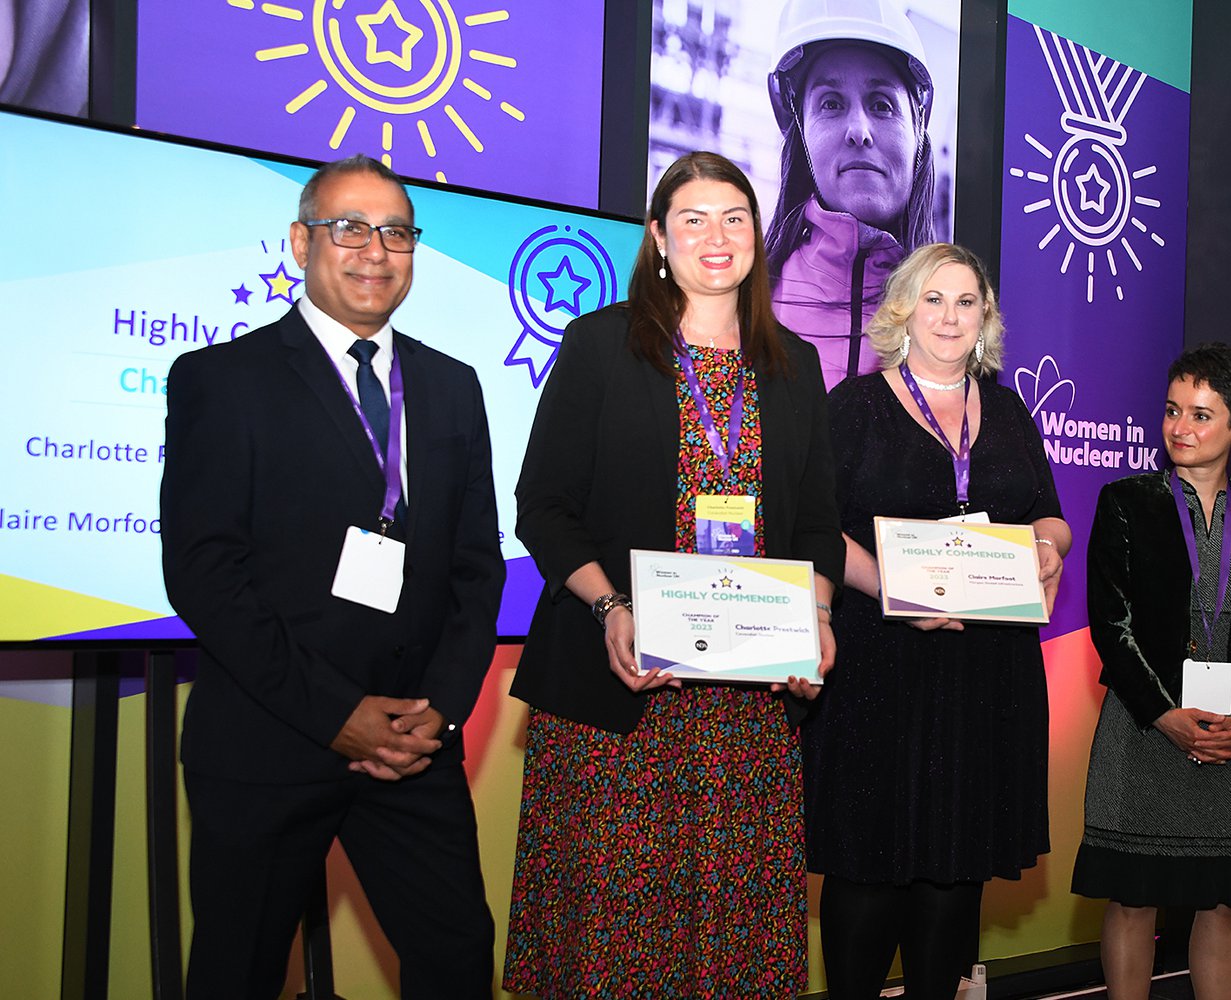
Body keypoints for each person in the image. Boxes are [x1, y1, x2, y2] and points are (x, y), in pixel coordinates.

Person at [159, 155, 503, 999]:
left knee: (457, 960)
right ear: (300, 242)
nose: (375, 251)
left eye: (396, 232)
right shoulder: (221, 380)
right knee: (236, 973)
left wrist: (441, 712)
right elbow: (201, 573)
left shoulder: (451, 387)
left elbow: (474, 568)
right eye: (350, 228)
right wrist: (338, 715)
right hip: (268, 742)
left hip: (411, 747)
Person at [503, 151, 844, 997]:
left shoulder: (796, 368)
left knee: (732, 953)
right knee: (611, 949)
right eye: (692, 218)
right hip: (621, 697)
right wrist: (610, 604)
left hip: (746, 715)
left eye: (734, 217)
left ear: (759, 238)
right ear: (658, 237)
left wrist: (821, 619)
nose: (715, 236)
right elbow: (543, 506)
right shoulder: (600, 345)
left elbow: (815, 529)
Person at [802, 243, 1072, 999]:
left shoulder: (1010, 407)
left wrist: (1048, 549)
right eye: (934, 299)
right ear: (902, 311)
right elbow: (815, 525)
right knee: (869, 864)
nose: (950, 316)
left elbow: (1048, 514)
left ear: (986, 316)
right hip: (879, 667)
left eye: (966, 301)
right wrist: (893, 588)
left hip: (986, 675)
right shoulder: (853, 407)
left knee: (958, 867)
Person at [1074, 343, 1231, 1000]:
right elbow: (1109, 626)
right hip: (1143, 731)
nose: (1180, 428)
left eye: (1202, 415)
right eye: (1173, 411)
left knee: (1225, 902)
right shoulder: (1125, 502)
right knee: (1133, 897)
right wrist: (1164, 715)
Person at [765, 0, 939, 389]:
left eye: (881, 104)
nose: (858, 130)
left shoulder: (961, 315)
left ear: (918, 127)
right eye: (831, 103)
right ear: (802, 132)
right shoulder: (743, 304)